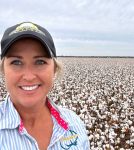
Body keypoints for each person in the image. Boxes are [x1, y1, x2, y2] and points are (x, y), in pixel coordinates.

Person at [0, 22, 90, 150]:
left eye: (40, 61)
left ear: (54, 69)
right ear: (3, 70)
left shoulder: (75, 125)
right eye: (16, 62)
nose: (29, 76)